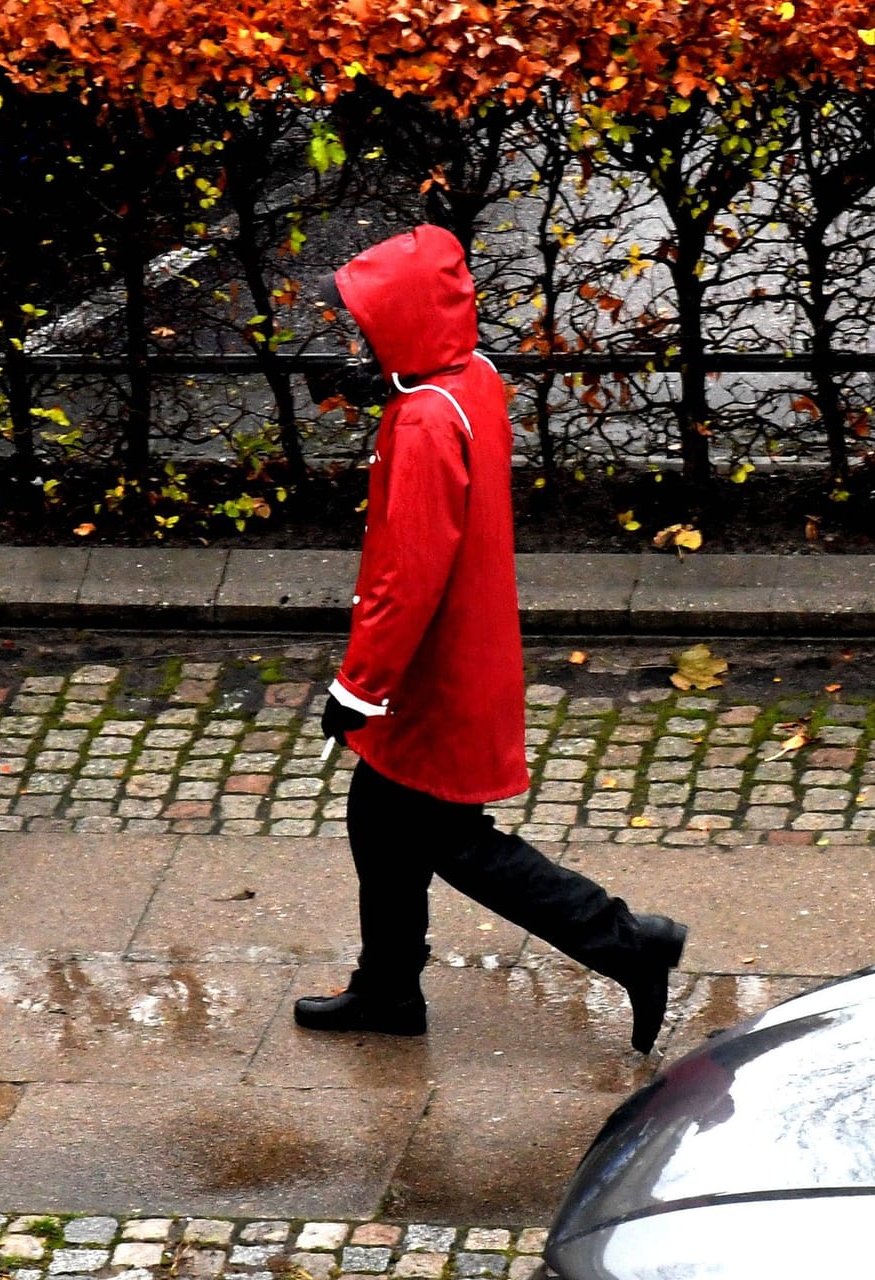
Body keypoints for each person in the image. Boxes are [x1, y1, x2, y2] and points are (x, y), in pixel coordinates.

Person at [295, 225, 687, 1054]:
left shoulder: (421, 424)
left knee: (451, 841)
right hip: (464, 656)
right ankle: (389, 985)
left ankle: (627, 944)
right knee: (380, 817)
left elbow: (406, 574)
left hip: (425, 677)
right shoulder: (469, 380)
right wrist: (384, 389)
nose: (357, 336)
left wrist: (356, 688)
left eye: (367, 324)